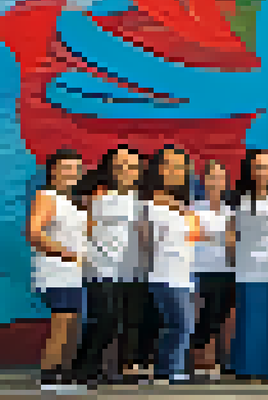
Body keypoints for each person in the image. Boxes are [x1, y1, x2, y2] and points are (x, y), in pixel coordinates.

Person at [72, 146, 148, 386]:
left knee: (128, 321)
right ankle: (83, 370)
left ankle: (113, 369)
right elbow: (83, 226)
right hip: (101, 265)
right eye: (120, 165)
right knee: (105, 318)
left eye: (132, 166)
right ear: (111, 168)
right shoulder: (96, 194)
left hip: (132, 269)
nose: (126, 170)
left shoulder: (143, 198)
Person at [142, 146, 207, 384]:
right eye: (168, 165)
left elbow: (194, 234)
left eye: (179, 166)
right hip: (163, 274)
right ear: (157, 169)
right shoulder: (148, 203)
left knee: (180, 325)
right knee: (181, 324)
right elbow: (145, 242)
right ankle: (168, 371)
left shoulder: (184, 205)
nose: (174, 171)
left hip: (183, 274)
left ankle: (169, 371)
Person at [29, 148, 88, 391]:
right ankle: (48, 375)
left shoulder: (72, 201)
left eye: (75, 168)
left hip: (74, 274)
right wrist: (67, 253)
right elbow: (34, 232)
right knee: (62, 322)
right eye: (65, 167)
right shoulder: (46, 196)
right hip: (55, 272)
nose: (71, 173)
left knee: (73, 323)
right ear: (53, 171)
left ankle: (64, 374)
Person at [230, 149, 268, 380]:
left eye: (266, 167)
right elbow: (232, 234)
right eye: (258, 167)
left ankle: (265, 368)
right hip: (247, 269)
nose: (262, 172)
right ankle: (243, 368)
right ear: (250, 170)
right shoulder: (238, 201)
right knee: (248, 319)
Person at [190, 159, 236, 381]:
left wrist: (225, 241)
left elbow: (234, 242)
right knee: (205, 313)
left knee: (220, 314)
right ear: (204, 181)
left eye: (220, 177)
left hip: (227, 269)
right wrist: (222, 238)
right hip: (201, 269)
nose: (216, 182)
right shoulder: (194, 208)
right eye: (212, 177)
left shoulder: (230, 210)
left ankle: (213, 358)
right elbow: (193, 236)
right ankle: (199, 358)